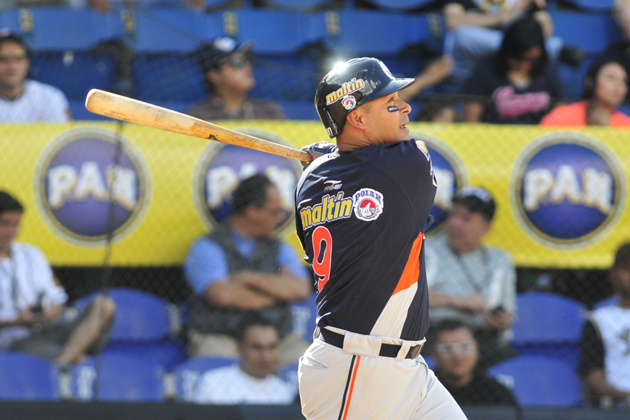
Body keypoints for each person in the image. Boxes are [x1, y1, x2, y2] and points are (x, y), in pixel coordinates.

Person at [295, 57, 467, 419]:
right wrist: (330, 155)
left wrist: (330, 156)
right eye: (391, 103)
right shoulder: (404, 167)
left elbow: (351, 168)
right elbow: (411, 154)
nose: (405, 107)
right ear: (356, 118)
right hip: (357, 369)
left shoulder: (309, 183)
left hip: (399, 368)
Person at [183, 174, 311, 367]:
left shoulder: (279, 248)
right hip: (223, 336)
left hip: (274, 338)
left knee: (310, 364)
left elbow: (301, 289)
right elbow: (223, 295)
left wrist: (247, 278)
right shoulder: (208, 247)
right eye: (274, 212)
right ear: (252, 212)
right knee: (219, 371)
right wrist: (278, 291)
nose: (279, 218)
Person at [0, 191, 115, 366]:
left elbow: (57, 302)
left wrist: (47, 312)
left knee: (104, 305)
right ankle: (69, 361)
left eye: (16, 224)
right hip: (14, 341)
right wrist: (18, 320)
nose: (12, 231)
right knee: (80, 360)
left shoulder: (31, 254)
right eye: (5, 224)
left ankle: (65, 361)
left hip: (49, 331)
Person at [399, 0, 582, 100]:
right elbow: (453, 22)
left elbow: (545, 31)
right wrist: (506, 18)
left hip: (512, 62)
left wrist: (536, 10)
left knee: (528, 41)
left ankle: (513, 44)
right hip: (469, 65)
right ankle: (554, 49)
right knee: (464, 36)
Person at [426, 186, 517, 369]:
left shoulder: (499, 260)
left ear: (486, 227)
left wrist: (499, 320)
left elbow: (506, 314)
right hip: (432, 336)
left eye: (465, 219)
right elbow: (412, 297)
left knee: (514, 362)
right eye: (453, 215)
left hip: (479, 338)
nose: (454, 224)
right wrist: (460, 301)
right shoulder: (427, 250)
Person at [463, 17, 562, 124]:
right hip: (495, 138)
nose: (525, 65)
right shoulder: (486, 70)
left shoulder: (546, 70)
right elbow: (471, 122)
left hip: (540, 139)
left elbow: (561, 112)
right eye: (519, 58)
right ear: (508, 52)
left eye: (532, 60)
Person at [194, 318, 297, 405]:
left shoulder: (284, 391)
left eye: (271, 347)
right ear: (240, 349)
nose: (265, 356)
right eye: (257, 347)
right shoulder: (214, 383)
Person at [579, 242, 630, 408]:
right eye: (627, 269)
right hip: (617, 406)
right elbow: (594, 380)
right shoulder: (599, 321)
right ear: (613, 274)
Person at [186, 37, 285, 121]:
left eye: (247, 60)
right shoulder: (197, 118)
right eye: (237, 63)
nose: (247, 66)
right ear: (214, 75)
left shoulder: (269, 112)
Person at [430, 319, 519, 407]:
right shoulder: (425, 391)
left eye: (464, 346)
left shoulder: (497, 392)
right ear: (434, 354)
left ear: (476, 349)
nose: (457, 356)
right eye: (447, 348)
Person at [0, 31, 71, 122]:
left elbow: (64, 135)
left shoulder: (50, 98)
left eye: (18, 57)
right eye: (2, 58)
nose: (12, 66)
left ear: (27, 63)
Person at [541, 59, 630, 127]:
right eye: (611, 78)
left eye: (624, 81)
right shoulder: (562, 117)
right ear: (590, 82)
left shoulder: (626, 126)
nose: (619, 85)